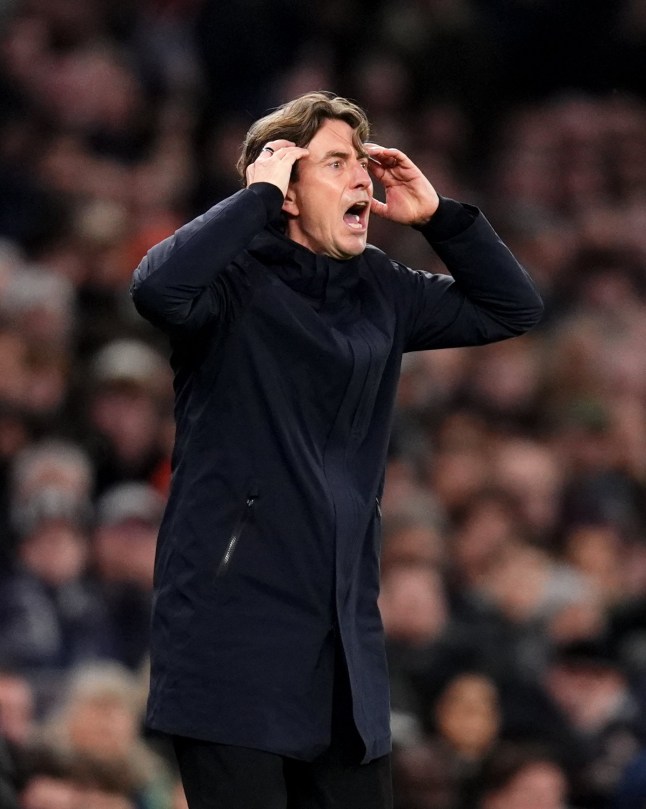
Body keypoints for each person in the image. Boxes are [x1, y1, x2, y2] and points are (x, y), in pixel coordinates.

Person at [130, 91, 543, 809]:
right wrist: (255, 200)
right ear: (285, 186)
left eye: (362, 161)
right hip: (233, 637)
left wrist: (441, 217)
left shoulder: (378, 285)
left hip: (345, 645)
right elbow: (157, 287)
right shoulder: (230, 282)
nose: (362, 178)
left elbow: (511, 307)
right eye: (336, 163)